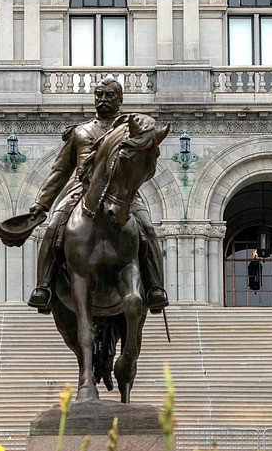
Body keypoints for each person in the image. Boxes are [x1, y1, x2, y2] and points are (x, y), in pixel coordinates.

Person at [27, 77, 169, 314]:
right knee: (53, 227)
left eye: (109, 96)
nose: (102, 100)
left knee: (148, 228)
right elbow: (60, 171)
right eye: (99, 96)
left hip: (122, 193)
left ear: (120, 100)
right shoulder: (80, 132)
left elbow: (144, 161)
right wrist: (42, 203)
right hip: (79, 190)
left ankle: (155, 287)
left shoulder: (129, 130)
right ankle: (43, 287)